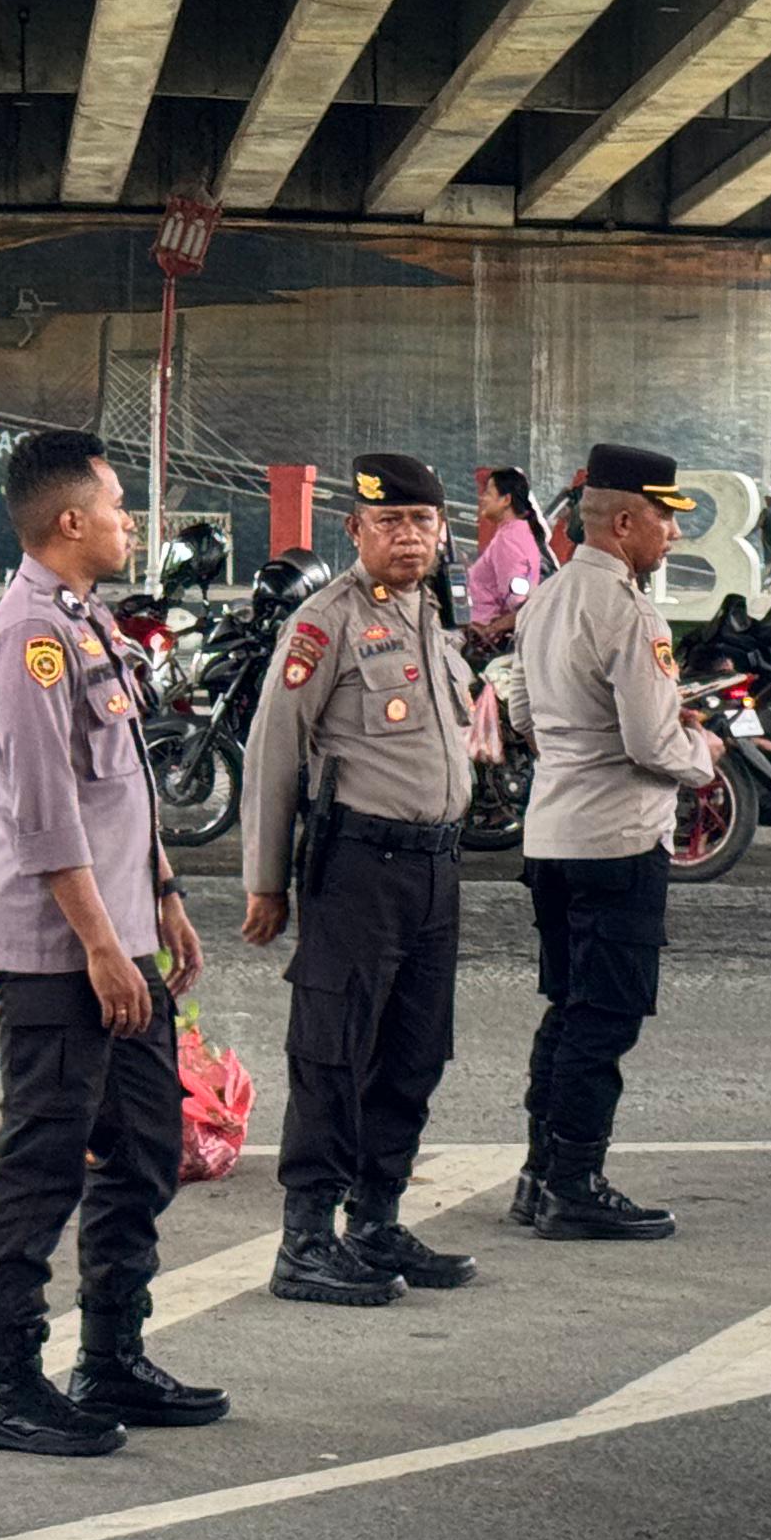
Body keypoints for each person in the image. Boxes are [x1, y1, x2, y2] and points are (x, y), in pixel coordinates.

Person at [0, 430, 222, 1453]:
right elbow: (46, 817)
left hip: (124, 935)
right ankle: (5, 1381)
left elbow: (125, 793)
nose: (131, 522)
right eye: (119, 505)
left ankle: (111, 1354)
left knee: (146, 1147)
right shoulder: (27, 636)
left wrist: (161, 897)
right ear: (70, 520)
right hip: (58, 952)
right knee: (43, 1160)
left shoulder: (88, 622)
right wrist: (103, 949)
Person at [242, 451, 479, 1307]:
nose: (407, 536)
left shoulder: (430, 615)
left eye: (421, 521)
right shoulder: (326, 620)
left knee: (415, 1052)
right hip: (357, 870)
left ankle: (375, 1220)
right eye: (389, 522)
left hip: (434, 869)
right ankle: (305, 1238)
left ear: (442, 530)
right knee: (332, 1052)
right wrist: (266, 882)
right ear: (356, 531)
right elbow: (273, 749)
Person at [516, 442, 716, 1243]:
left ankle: (539, 1175)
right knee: (605, 1019)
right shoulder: (631, 611)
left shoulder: (546, 599)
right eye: (665, 519)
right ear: (625, 521)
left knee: (567, 1009)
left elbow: (527, 717)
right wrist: (703, 757)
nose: (671, 535)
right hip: (619, 840)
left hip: (553, 830)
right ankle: (575, 1184)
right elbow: (650, 742)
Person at [464, 466, 545, 643]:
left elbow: (519, 602)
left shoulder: (509, 540)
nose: (482, 499)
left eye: (488, 493)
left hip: (486, 641)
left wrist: (489, 630)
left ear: (506, 500)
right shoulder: (516, 533)